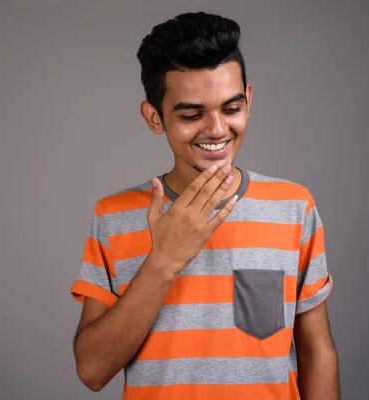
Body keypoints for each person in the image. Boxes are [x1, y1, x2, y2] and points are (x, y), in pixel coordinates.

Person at [69, 11, 340, 400]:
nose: (216, 130)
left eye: (231, 109)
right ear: (154, 117)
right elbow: (92, 371)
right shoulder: (114, 217)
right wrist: (163, 261)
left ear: (248, 99)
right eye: (192, 114)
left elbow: (317, 351)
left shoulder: (293, 207)